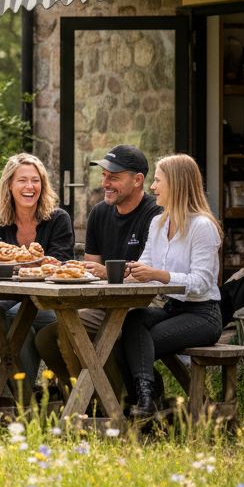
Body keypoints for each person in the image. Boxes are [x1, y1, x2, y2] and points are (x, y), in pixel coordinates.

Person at [34, 144, 162, 388]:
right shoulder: (99, 213)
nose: (105, 183)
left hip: (144, 306)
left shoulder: (155, 215)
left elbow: (152, 275)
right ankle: (88, 399)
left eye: (113, 177)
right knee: (47, 338)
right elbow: (91, 272)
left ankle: (117, 399)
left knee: (72, 330)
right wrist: (67, 269)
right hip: (105, 302)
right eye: (104, 176)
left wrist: (108, 274)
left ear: (138, 180)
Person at [119, 153, 223, 418]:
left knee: (137, 344)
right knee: (131, 324)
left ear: (176, 184)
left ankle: (147, 403)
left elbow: (201, 283)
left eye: (157, 180)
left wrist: (158, 274)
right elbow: (145, 267)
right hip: (173, 309)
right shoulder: (158, 223)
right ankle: (152, 400)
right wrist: (120, 274)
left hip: (203, 315)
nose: (153, 187)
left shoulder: (202, 227)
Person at [0, 153, 73, 379]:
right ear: (9, 185)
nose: (30, 186)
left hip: (49, 300)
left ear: (42, 184)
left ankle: (19, 393)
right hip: (10, 296)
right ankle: (22, 393)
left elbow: (60, 263)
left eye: (35, 180)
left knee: (15, 318)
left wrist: (17, 264)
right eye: (22, 180)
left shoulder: (58, 219)